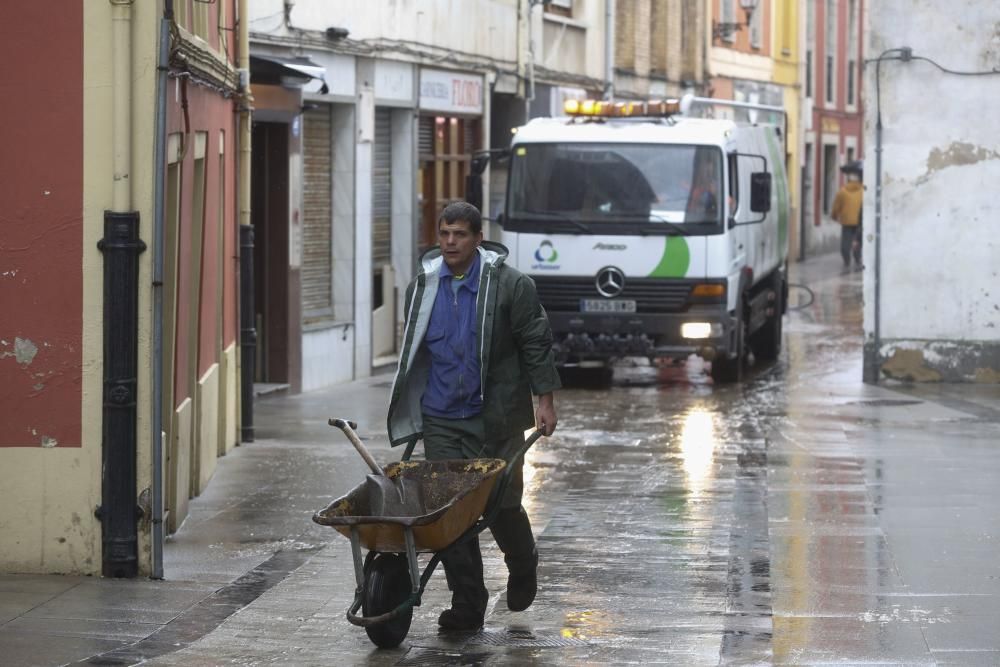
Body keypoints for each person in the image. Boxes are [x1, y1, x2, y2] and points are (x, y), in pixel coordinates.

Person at [387, 201, 561, 631]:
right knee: (449, 516)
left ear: (478, 239)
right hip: (442, 418)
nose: (450, 242)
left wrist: (545, 400)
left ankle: (523, 563)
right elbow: (415, 354)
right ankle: (468, 606)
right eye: (444, 233)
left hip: (495, 418)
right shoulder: (423, 289)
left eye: (460, 234)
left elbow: (535, 342)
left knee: (502, 505)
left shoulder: (511, 286)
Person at [831, 161, 864, 270]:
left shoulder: (842, 192)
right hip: (859, 222)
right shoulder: (863, 191)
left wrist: (834, 216)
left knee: (846, 242)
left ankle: (846, 259)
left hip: (846, 221)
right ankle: (857, 258)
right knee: (857, 240)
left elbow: (836, 207)